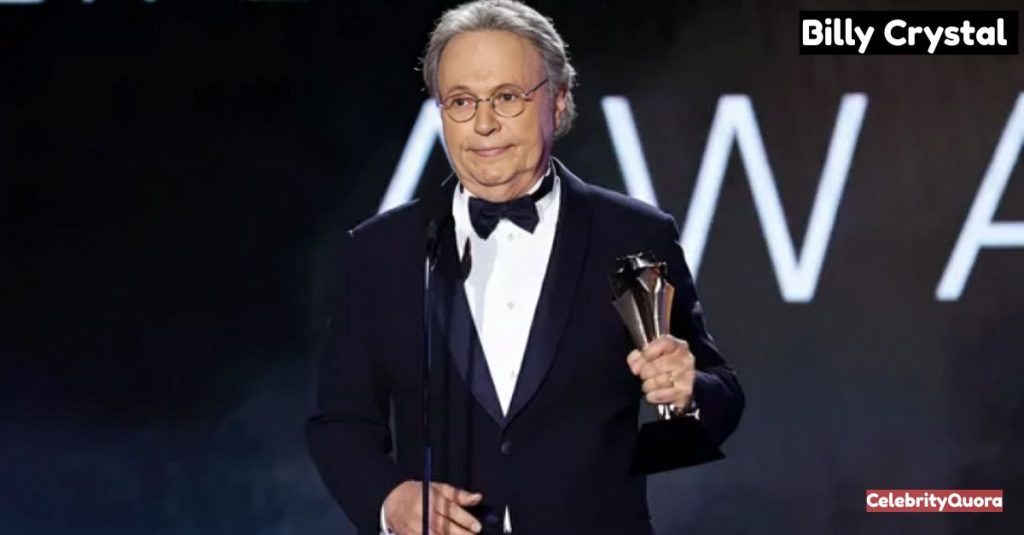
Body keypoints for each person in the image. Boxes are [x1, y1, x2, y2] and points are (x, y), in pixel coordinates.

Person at [306, 1, 744, 533]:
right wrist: (390, 499)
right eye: (461, 102)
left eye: (507, 97)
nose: (484, 124)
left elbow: (719, 396)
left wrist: (690, 391)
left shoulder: (633, 234)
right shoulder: (382, 252)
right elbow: (340, 422)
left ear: (558, 102)